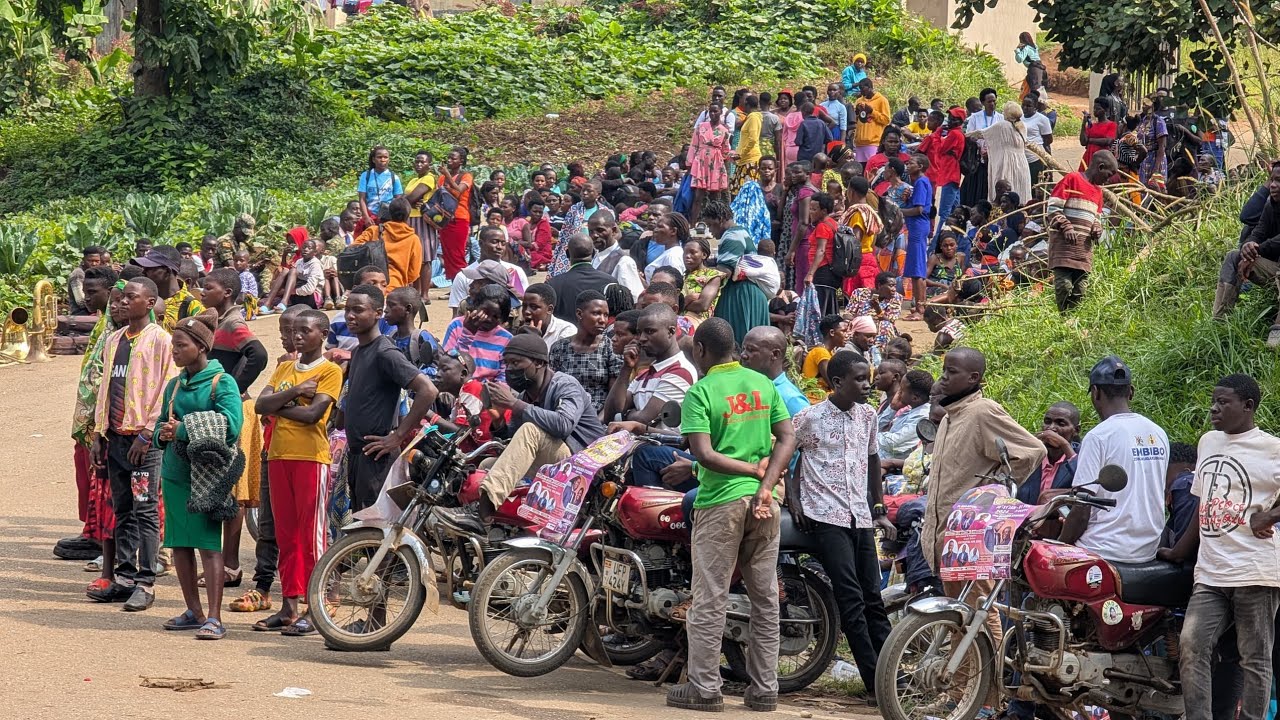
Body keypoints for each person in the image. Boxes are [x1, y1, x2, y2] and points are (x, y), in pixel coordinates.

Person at [664, 318, 795, 713]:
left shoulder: (700, 391)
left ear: (700, 351)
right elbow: (788, 437)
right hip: (764, 504)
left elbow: (703, 455)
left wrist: (753, 473)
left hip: (721, 503)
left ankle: (705, 689)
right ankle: (764, 690)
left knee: (709, 599)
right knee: (765, 599)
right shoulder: (763, 384)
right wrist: (766, 482)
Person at [1158, 374, 1280, 720]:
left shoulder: (1272, 448)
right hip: (1210, 573)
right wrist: (1179, 551)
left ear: (1248, 406)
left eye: (1223, 402)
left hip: (1255, 571)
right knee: (1192, 645)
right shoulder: (1208, 442)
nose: (1213, 408)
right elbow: (1203, 504)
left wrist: (1268, 517)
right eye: (1213, 401)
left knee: (1254, 658)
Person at [791, 350, 895, 699]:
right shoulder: (810, 417)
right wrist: (794, 499)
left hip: (860, 516)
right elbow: (788, 454)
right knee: (850, 597)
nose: (868, 385)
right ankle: (873, 682)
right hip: (826, 515)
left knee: (873, 597)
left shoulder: (868, 416)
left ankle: (889, 675)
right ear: (837, 382)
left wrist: (878, 507)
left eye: (869, 378)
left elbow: (872, 459)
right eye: (860, 379)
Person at [922, 348, 1044, 643]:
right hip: (946, 532)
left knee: (979, 612)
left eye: (952, 372)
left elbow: (1032, 450)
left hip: (970, 533)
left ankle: (990, 688)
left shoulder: (983, 411)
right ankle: (963, 688)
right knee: (959, 617)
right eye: (945, 370)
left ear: (973, 377)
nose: (944, 377)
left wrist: (993, 492)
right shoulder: (950, 417)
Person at [438, 334, 607, 533]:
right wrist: (499, 421)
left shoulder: (565, 385)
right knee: (487, 465)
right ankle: (502, 525)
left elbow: (564, 425)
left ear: (539, 363)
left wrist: (514, 404)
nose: (510, 369)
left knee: (531, 430)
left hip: (582, 465)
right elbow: (512, 442)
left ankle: (483, 511)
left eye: (516, 362)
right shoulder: (526, 395)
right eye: (507, 363)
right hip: (555, 463)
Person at [150, 311, 243, 639]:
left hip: (207, 477)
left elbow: (231, 427)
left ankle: (215, 617)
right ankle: (194, 610)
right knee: (179, 544)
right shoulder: (174, 385)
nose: (174, 350)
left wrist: (183, 429)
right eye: (174, 344)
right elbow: (162, 422)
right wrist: (162, 433)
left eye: (180, 345)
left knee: (207, 545)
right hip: (175, 473)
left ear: (201, 347)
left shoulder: (223, 382)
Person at [251, 309, 342, 636]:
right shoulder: (287, 368)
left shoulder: (330, 371)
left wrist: (280, 403)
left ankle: (313, 607)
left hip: (311, 459)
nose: (299, 336)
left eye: (307, 331)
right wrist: (295, 392)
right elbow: (261, 406)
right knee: (286, 534)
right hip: (278, 456)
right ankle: (289, 606)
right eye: (296, 331)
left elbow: (314, 413)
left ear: (324, 334)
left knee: (311, 535)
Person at [86, 277, 174, 611]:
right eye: (121, 298)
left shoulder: (161, 341)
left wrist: (147, 434)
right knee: (122, 509)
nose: (123, 303)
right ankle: (123, 577)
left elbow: (167, 390)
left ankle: (146, 581)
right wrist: (98, 434)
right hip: (115, 440)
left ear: (150, 303)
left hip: (143, 443)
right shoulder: (114, 340)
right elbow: (105, 388)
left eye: (131, 298)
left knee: (146, 510)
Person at [1059, 356, 1169, 563]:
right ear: (1131, 392)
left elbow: (1082, 509)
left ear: (1095, 392)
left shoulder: (1098, 436)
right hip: (1147, 549)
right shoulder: (1158, 433)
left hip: (1105, 548)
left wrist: (1058, 545)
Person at [342, 285, 440, 513]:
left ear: (377, 313)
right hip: (358, 455)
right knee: (361, 523)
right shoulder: (358, 352)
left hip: (378, 456)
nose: (350, 315)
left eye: (358, 310)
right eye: (347, 309)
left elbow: (428, 390)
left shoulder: (384, 352)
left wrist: (397, 436)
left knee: (376, 526)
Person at [203, 269, 269, 586]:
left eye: (209, 287)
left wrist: (233, 387)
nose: (203, 291)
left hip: (234, 410)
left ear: (227, 292)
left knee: (233, 490)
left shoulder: (233, 324)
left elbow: (258, 354)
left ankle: (230, 564)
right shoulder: (217, 319)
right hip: (222, 409)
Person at [65, 265, 120, 566]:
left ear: (111, 292)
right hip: (90, 415)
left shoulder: (117, 322)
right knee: (87, 471)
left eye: (92, 292)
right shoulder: (103, 320)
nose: (85, 298)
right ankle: (92, 530)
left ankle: (101, 537)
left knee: (101, 475)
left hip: (104, 416)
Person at [602, 304, 698, 428]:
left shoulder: (680, 370)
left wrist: (626, 414)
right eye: (639, 332)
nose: (642, 338)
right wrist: (626, 368)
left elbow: (644, 420)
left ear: (671, 331)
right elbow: (610, 414)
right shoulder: (645, 374)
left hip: (663, 446)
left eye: (650, 331)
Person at [1046, 151, 1116, 312]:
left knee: (1080, 289)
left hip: (1083, 252)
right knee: (1063, 285)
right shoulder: (1072, 179)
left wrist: (1097, 228)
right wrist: (1066, 226)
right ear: (1100, 167)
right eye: (1109, 174)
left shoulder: (1098, 192)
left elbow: (1096, 217)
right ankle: (1064, 315)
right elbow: (1053, 208)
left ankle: (1071, 320)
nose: (1109, 179)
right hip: (1064, 250)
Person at [704, 200, 769, 344]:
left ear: (720, 220)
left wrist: (701, 274)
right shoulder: (741, 231)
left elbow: (724, 272)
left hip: (740, 296)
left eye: (710, 225)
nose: (710, 231)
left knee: (737, 343)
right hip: (749, 293)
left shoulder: (731, 236)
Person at [549, 290, 621, 416]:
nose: (603, 320)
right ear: (579, 313)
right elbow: (551, 389)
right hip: (564, 416)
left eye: (606, 315)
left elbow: (614, 396)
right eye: (596, 313)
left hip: (598, 418)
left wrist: (597, 423)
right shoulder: (560, 348)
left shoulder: (610, 348)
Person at [441, 283, 514, 384]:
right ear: (475, 306)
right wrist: (468, 333)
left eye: (495, 317)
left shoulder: (506, 339)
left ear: (503, 319)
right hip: (456, 386)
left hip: (489, 392)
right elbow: (447, 364)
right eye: (485, 312)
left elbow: (504, 376)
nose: (488, 319)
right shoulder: (457, 326)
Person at [449, 226, 528, 316]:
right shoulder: (463, 276)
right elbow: (457, 316)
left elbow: (528, 306)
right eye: (494, 242)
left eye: (503, 243)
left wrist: (517, 296)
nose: (499, 247)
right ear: (481, 243)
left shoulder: (517, 271)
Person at [1016, 401, 1081, 505]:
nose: (1051, 428)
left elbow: (1086, 483)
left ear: (1076, 430)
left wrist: (1065, 445)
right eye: (1047, 422)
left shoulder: (1080, 456)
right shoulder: (1032, 455)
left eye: (1061, 423)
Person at [352, 197, 422, 292]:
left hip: (369, 287)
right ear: (408, 215)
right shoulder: (413, 239)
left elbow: (353, 250)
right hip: (396, 290)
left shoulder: (374, 231)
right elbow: (413, 273)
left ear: (389, 213)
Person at [133, 246, 205, 332]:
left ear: (167, 271)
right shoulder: (142, 300)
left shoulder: (191, 306)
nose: (143, 272)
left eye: (149, 268)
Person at [547, 233, 615, 322]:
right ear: (594, 253)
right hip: (600, 335)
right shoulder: (610, 282)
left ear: (567, 254)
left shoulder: (553, 284)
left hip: (564, 335)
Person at [434, 146, 475, 280]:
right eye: (449, 158)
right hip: (445, 218)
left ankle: (464, 283)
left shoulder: (466, 176)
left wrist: (447, 176)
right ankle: (454, 283)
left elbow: (459, 190)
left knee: (457, 253)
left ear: (461, 161)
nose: (449, 161)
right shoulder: (441, 178)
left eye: (453, 158)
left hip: (459, 218)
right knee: (447, 254)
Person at [689, 103, 734, 221]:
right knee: (698, 196)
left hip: (716, 163)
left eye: (715, 111)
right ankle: (693, 224)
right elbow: (694, 145)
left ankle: (715, 223)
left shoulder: (724, 130)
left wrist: (730, 157)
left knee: (715, 196)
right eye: (711, 111)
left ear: (720, 113)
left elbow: (725, 150)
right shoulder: (701, 127)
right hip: (701, 161)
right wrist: (690, 162)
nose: (713, 114)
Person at [902, 154, 934, 319]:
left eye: (911, 163)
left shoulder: (921, 182)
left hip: (918, 227)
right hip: (916, 228)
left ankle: (921, 308)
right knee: (915, 268)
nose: (907, 165)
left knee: (918, 269)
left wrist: (898, 210)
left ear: (920, 166)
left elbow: (919, 209)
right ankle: (917, 305)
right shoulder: (919, 183)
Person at [588, 209, 644, 303]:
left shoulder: (623, 261)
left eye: (600, 230)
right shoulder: (594, 257)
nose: (595, 235)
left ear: (613, 230)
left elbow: (634, 299)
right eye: (591, 232)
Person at [878, 369, 933, 463]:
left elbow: (893, 443)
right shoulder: (910, 410)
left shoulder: (922, 417)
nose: (898, 393)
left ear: (914, 398)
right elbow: (877, 426)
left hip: (893, 469)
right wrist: (892, 408)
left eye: (901, 390)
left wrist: (869, 435)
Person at [802, 192, 841, 315]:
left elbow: (821, 250)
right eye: (810, 208)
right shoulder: (832, 223)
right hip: (831, 273)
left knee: (821, 310)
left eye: (814, 209)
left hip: (823, 272)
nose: (810, 212)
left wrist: (810, 274)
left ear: (823, 211)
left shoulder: (822, 227)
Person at [384, 286, 438, 368]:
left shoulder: (422, 338)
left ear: (408, 309)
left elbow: (437, 369)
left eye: (391, 305)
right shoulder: (391, 338)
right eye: (387, 305)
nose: (386, 310)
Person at [357, 145, 402, 228]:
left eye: (385, 157)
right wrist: (366, 217)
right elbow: (362, 199)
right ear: (374, 159)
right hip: (370, 217)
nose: (383, 160)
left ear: (389, 159)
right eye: (379, 157)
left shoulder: (394, 177)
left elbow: (398, 200)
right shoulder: (366, 176)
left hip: (388, 218)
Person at [802, 314, 846, 400]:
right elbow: (833, 384)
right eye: (843, 331)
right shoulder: (821, 353)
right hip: (815, 399)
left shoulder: (829, 353)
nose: (847, 334)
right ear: (832, 333)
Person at [681, 233, 722, 325]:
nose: (687, 256)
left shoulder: (712, 276)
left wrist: (681, 304)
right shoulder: (683, 276)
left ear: (704, 255)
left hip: (698, 324)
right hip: (680, 322)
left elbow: (703, 305)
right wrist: (687, 300)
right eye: (685, 252)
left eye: (692, 252)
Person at [520, 283, 575, 348]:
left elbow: (560, 357)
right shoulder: (521, 331)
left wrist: (534, 341)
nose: (526, 311)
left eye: (534, 307)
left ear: (549, 309)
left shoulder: (566, 331)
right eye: (524, 306)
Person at [851, 79, 891, 164]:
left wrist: (872, 111)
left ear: (870, 87)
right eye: (860, 89)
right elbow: (856, 120)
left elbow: (886, 120)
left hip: (873, 142)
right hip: (859, 142)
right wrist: (857, 113)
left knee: (872, 167)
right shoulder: (859, 101)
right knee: (860, 169)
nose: (861, 91)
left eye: (863, 88)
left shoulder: (882, 100)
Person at [1136, 96, 1169, 190]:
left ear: (1152, 106)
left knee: (1155, 188)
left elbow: (1162, 147)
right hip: (1144, 160)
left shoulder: (1158, 122)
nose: (1143, 107)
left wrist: (1156, 169)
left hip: (1155, 160)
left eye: (1145, 105)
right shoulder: (1143, 121)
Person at [645, 212, 689, 281]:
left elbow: (671, 288)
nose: (655, 230)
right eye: (656, 226)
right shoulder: (670, 252)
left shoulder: (672, 257)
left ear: (673, 231)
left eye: (660, 227)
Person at [1079, 98, 1117, 171]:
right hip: (1088, 157)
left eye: (1098, 108)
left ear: (1105, 110)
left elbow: (1108, 141)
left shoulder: (1111, 125)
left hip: (1103, 158)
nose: (1095, 111)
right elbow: (1083, 142)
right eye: (1094, 108)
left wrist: (1089, 140)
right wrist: (1084, 124)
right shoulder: (1091, 125)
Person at [67, 246, 105, 316]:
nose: (94, 264)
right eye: (90, 261)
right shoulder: (78, 274)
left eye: (97, 261)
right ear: (84, 260)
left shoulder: (95, 273)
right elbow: (80, 301)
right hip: (80, 314)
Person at [1015, 32, 1046, 100]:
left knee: (1035, 89)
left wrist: (1017, 50)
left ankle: (1036, 103)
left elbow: (1020, 59)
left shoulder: (1026, 48)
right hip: (1040, 68)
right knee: (1030, 85)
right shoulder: (1034, 47)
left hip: (1034, 69)